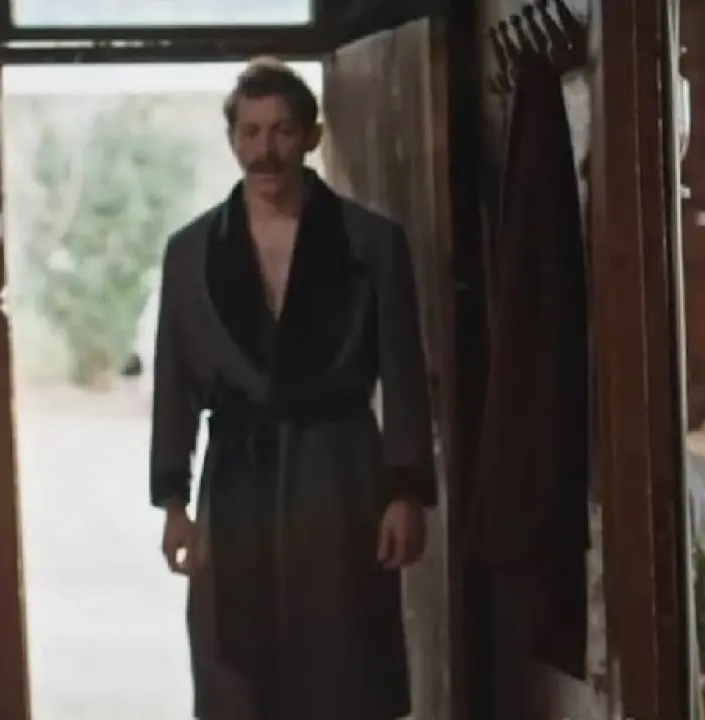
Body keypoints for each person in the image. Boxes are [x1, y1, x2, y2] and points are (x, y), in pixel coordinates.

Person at [149, 57, 436, 719]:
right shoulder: (191, 251)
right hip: (236, 478)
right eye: (250, 132)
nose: (265, 150)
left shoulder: (372, 243)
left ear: (312, 135)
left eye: (281, 130)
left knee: (342, 658)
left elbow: (404, 373)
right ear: (232, 140)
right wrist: (173, 501)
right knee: (236, 667)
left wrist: (405, 492)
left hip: (337, 470)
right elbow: (174, 381)